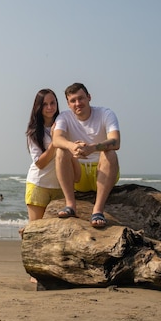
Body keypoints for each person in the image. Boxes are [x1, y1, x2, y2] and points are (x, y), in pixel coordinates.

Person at [52, 82, 120, 228]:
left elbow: (116, 141)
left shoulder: (105, 113)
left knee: (110, 153)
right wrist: (72, 146)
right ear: (68, 104)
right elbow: (57, 139)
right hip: (78, 175)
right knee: (61, 150)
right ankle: (70, 205)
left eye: (81, 98)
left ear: (89, 97)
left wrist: (93, 148)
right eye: (73, 100)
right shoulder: (64, 117)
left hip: (101, 172)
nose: (78, 103)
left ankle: (98, 210)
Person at [24, 89, 80, 223]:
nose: (49, 107)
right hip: (39, 185)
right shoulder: (34, 132)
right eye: (45, 104)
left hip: (61, 187)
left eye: (52, 103)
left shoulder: (65, 125)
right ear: (38, 106)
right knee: (36, 230)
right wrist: (55, 141)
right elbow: (40, 164)